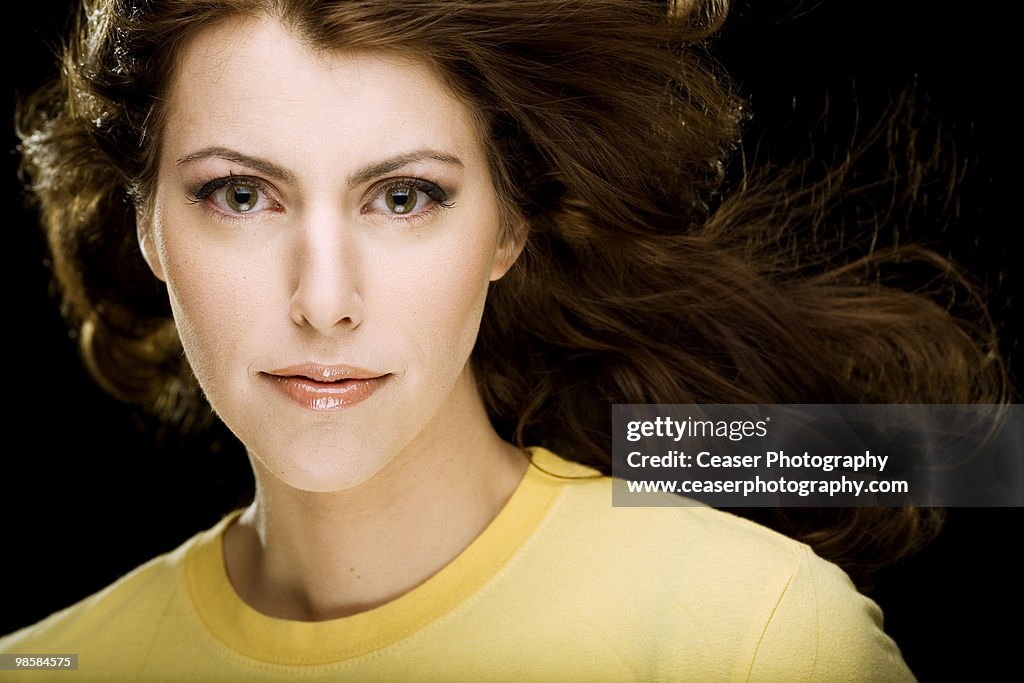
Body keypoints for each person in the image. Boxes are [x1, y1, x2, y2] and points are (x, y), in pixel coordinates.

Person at [1, 0, 1007, 680]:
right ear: (146, 224)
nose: (323, 300)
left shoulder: (757, 635)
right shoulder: (53, 664)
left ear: (508, 224)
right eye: (240, 193)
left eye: (402, 196)